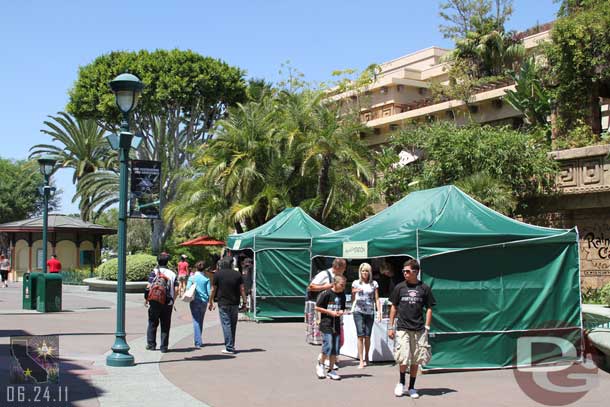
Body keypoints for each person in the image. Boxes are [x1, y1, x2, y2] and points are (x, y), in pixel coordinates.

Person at [388, 259, 435, 399]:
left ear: (416, 272)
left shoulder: (424, 288)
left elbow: (430, 308)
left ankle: (412, 387)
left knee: (416, 359)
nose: (405, 274)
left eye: (407, 271)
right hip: (402, 327)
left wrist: (427, 326)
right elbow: (393, 307)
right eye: (403, 271)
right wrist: (390, 327)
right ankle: (401, 383)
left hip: (419, 329)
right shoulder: (399, 287)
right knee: (403, 357)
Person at [306, 258, 346, 369]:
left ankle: (327, 359)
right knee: (327, 337)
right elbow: (311, 287)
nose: (344, 271)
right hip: (321, 307)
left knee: (336, 337)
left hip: (333, 307)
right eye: (343, 268)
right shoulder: (324, 274)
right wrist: (327, 286)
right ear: (337, 267)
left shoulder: (339, 278)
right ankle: (325, 360)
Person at [208, 256, 247, 354]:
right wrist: (245, 302)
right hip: (235, 302)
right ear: (231, 264)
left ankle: (229, 347)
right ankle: (231, 345)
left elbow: (213, 289)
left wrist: (210, 301)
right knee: (233, 324)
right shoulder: (237, 274)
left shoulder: (217, 274)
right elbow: (242, 289)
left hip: (223, 302)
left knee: (226, 324)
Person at [314, 274, 346, 380]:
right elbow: (317, 307)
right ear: (335, 284)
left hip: (336, 324)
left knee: (335, 349)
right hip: (326, 323)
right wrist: (329, 312)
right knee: (328, 345)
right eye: (341, 284)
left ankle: (331, 370)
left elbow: (342, 308)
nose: (343, 287)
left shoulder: (342, 295)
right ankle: (320, 364)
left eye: (344, 285)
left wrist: (340, 312)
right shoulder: (326, 294)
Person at [351, 262, 381, 369]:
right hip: (358, 311)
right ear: (360, 272)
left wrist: (379, 311)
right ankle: (361, 360)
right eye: (363, 270)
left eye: (367, 271)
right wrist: (354, 292)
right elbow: (352, 299)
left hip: (370, 311)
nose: (364, 273)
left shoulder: (374, 283)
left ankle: (367, 356)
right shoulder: (355, 283)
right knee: (360, 335)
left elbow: (376, 298)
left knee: (368, 336)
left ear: (370, 272)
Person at [145, 252, 177, 353]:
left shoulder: (154, 272)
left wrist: (146, 299)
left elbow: (148, 287)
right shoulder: (172, 274)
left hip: (155, 301)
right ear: (167, 262)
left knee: (152, 322)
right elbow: (176, 289)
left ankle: (151, 344)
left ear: (158, 261)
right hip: (167, 302)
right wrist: (173, 300)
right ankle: (164, 347)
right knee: (165, 324)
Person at [187, 261, 211, 348]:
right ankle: (198, 339)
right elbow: (209, 291)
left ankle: (198, 341)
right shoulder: (206, 279)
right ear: (204, 269)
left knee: (196, 320)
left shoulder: (192, 278)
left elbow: (188, 288)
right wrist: (210, 302)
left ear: (196, 268)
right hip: (204, 301)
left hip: (194, 300)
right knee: (200, 320)